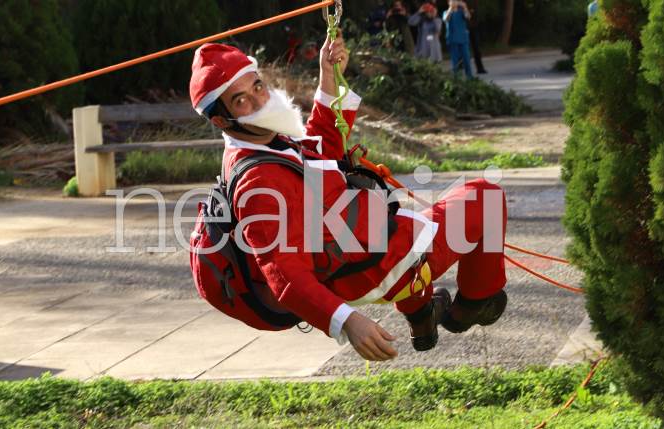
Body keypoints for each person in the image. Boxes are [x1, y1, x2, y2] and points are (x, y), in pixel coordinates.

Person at [188, 32, 508, 360]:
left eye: (257, 86)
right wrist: (347, 322)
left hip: (356, 245)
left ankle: (420, 316)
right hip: (367, 265)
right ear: (220, 120)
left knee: (403, 223)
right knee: (485, 199)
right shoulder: (258, 182)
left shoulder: (262, 138)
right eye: (241, 100)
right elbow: (284, 274)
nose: (259, 100)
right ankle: (471, 307)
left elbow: (323, 148)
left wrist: (329, 75)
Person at [443, 0, 473, 78]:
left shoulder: (461, 11)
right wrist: (450, 8)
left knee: (466, 59)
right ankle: (456, 78)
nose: (455, 2)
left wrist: (465, 7)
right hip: (452, 39)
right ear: (448, 2)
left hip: (463, 39)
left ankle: (469, 77)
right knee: (455, 61)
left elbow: (468, 17)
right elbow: (446, 19)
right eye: (452, 1)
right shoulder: (446, 12)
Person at [465, 0, 487, 74]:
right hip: (465, 28)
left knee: (476, 49)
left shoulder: (474, 2)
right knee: (464, 49)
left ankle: (480, 68)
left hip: (474, 28)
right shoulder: (463, 2)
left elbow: (476, 15)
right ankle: (461, 67)